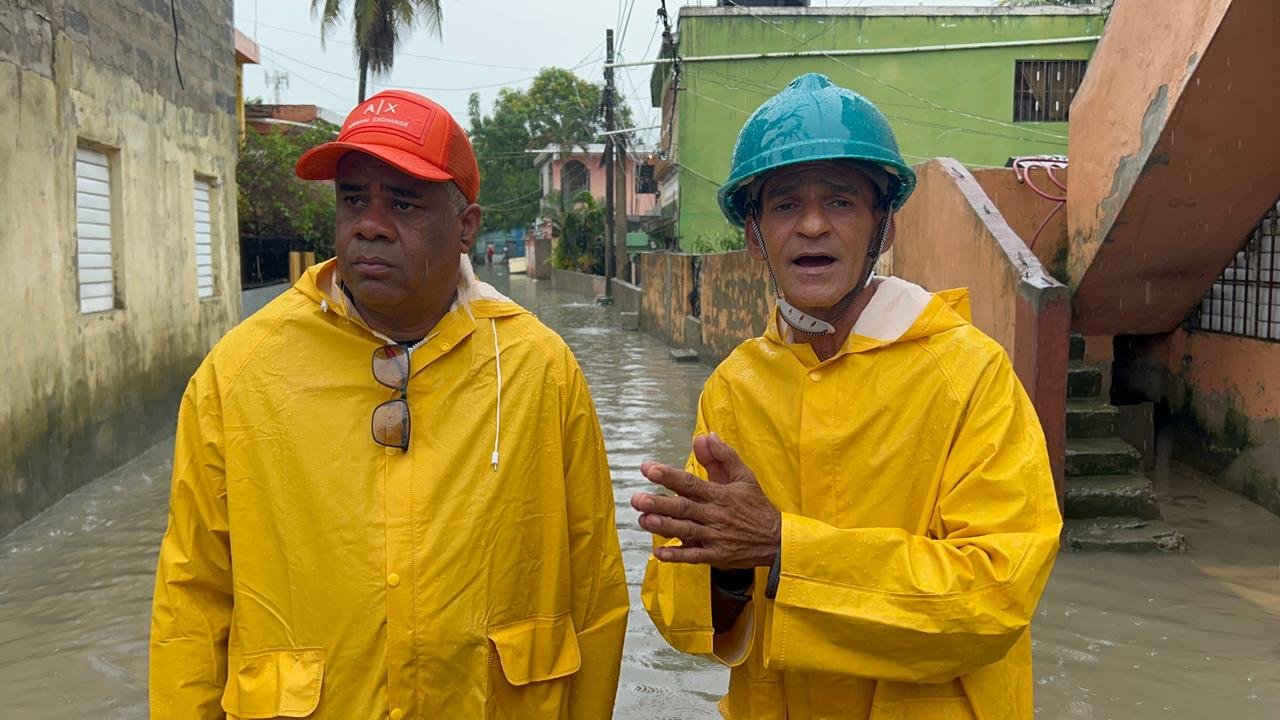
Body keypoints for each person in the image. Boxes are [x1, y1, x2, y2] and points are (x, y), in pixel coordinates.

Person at [150, 89, 628, 719]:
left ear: (467, 227)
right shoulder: (239, 375)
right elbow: (191, 601)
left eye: (403, 203)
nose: (369, 225)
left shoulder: (538, 371)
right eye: (354, 199)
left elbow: (594, 591)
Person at [632, 73, 1062, 719]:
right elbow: (680, 613)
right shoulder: (735, 387)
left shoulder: (970, 373)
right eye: (784, 205)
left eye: (840, 201)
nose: (812, 226)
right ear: (754, 236)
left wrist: (784, 547)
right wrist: (730, 569)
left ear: (883, 228)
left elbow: (996, 597)